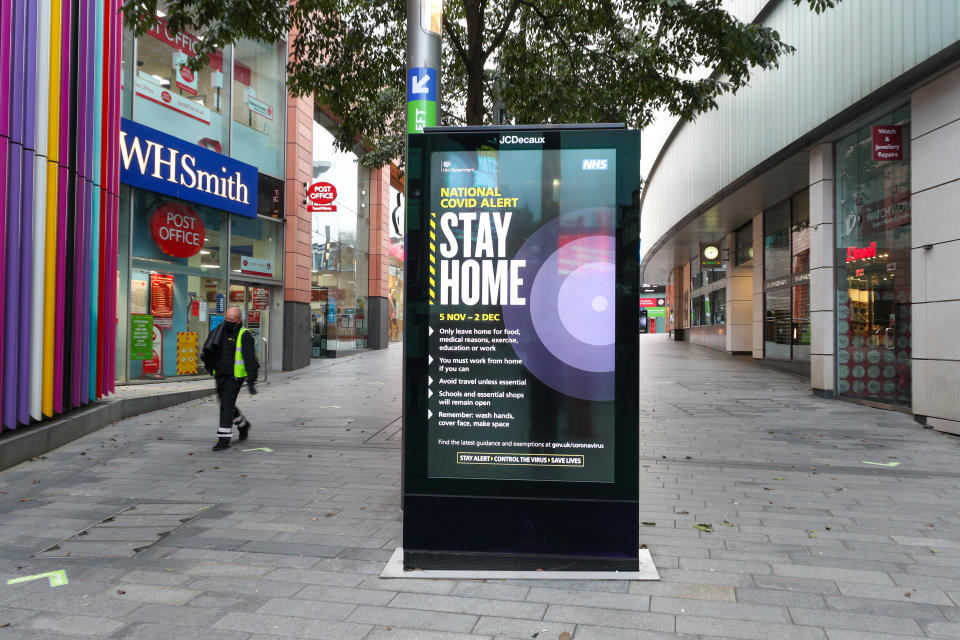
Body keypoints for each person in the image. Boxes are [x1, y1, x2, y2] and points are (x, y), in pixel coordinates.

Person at [201, 306, 259, 451]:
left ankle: (224, 438)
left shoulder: (244, 335)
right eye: (226, 318)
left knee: (226, 405)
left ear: (239, 321)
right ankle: (243, 424)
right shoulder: (218, 331)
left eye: (231, 320)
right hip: (219, 374)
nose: (227, 321)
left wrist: (251, 381)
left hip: (234, 377)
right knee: (226, 404)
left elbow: (250, 359)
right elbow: (210, 349)